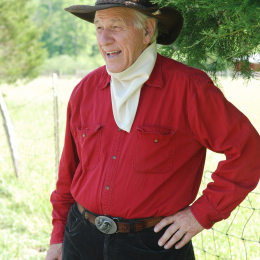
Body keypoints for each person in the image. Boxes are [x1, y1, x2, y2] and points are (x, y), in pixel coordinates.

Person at [44, 0, 260, 259]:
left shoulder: (189, 89)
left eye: (115, 26)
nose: (104, 39)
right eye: (99, 27)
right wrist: (58, 237)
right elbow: (68, 171)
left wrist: (201, 214)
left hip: (154, 245)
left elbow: (248, 151)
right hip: (81, 238)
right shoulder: (86, 90)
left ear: (147, 31)